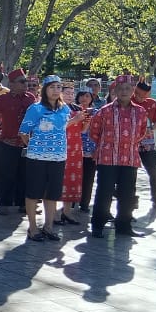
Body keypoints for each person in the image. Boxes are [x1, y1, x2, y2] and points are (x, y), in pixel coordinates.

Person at [18, 75, 85, 242]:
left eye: (58, 87)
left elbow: (60, 126)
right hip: (37, 158)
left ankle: (48, 227)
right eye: (52, 87)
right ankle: (33, 228)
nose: (56, 90)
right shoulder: (36, 109)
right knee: (33, 193)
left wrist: (75, 120)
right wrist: (35, 146)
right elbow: (23, 132)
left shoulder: (65, 109)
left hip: (58, 157)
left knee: (52, 194)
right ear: (45, 89)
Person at [88, 75, 147, 238]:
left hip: (129, 158)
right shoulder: (104, 111)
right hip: (107, 158)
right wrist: (108, 144)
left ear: (133, 91)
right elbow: (94, 132)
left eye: (128, 88)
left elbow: (142, 132)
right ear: (115, 91)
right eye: (120, 89)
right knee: (104, 192)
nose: (124, 92)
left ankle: (124, 226)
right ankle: (98, 225)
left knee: (127, 194)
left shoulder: (140, 111)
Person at [0, 69, 36, 214]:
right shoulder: (3, 99)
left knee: (25, 175)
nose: (26, 84)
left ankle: (23, 204)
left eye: (26, 81)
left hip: (26, 144)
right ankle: (4, 204)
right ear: (12, 84)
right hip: (7, 143)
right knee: (7, 174)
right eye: (22, 81)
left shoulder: (30, 98)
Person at [132, 81, 156, 209]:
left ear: (148, 94)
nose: (139, 97)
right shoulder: (128, 101)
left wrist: (151, 129)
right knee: (131, 173)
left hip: (148, 144)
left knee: (154, 172)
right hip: (131, 144)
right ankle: (131, 201)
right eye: (137, 94)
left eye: (142, 96)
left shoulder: (152, 103)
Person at [57, 83, 85, 225]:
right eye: (66, 93)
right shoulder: (56, 109)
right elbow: (58, 127)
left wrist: (86, 120)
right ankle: (54, 215)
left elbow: (82, 129)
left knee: (71, 180)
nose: (69, 95)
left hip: (75, 147)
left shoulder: (78, 109)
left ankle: (67, 212)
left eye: (71, 93)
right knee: (57, 180)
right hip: (59, 147)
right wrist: (75, 120)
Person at [77, 90, 98, 213]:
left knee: (88, 178)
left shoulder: (97, 113)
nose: (84, 98)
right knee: (74, 177)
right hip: (74, 150)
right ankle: (72, 202)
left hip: (91, 150)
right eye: (81, 95)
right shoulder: (72, 111)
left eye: (87, 96)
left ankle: (84, 203)